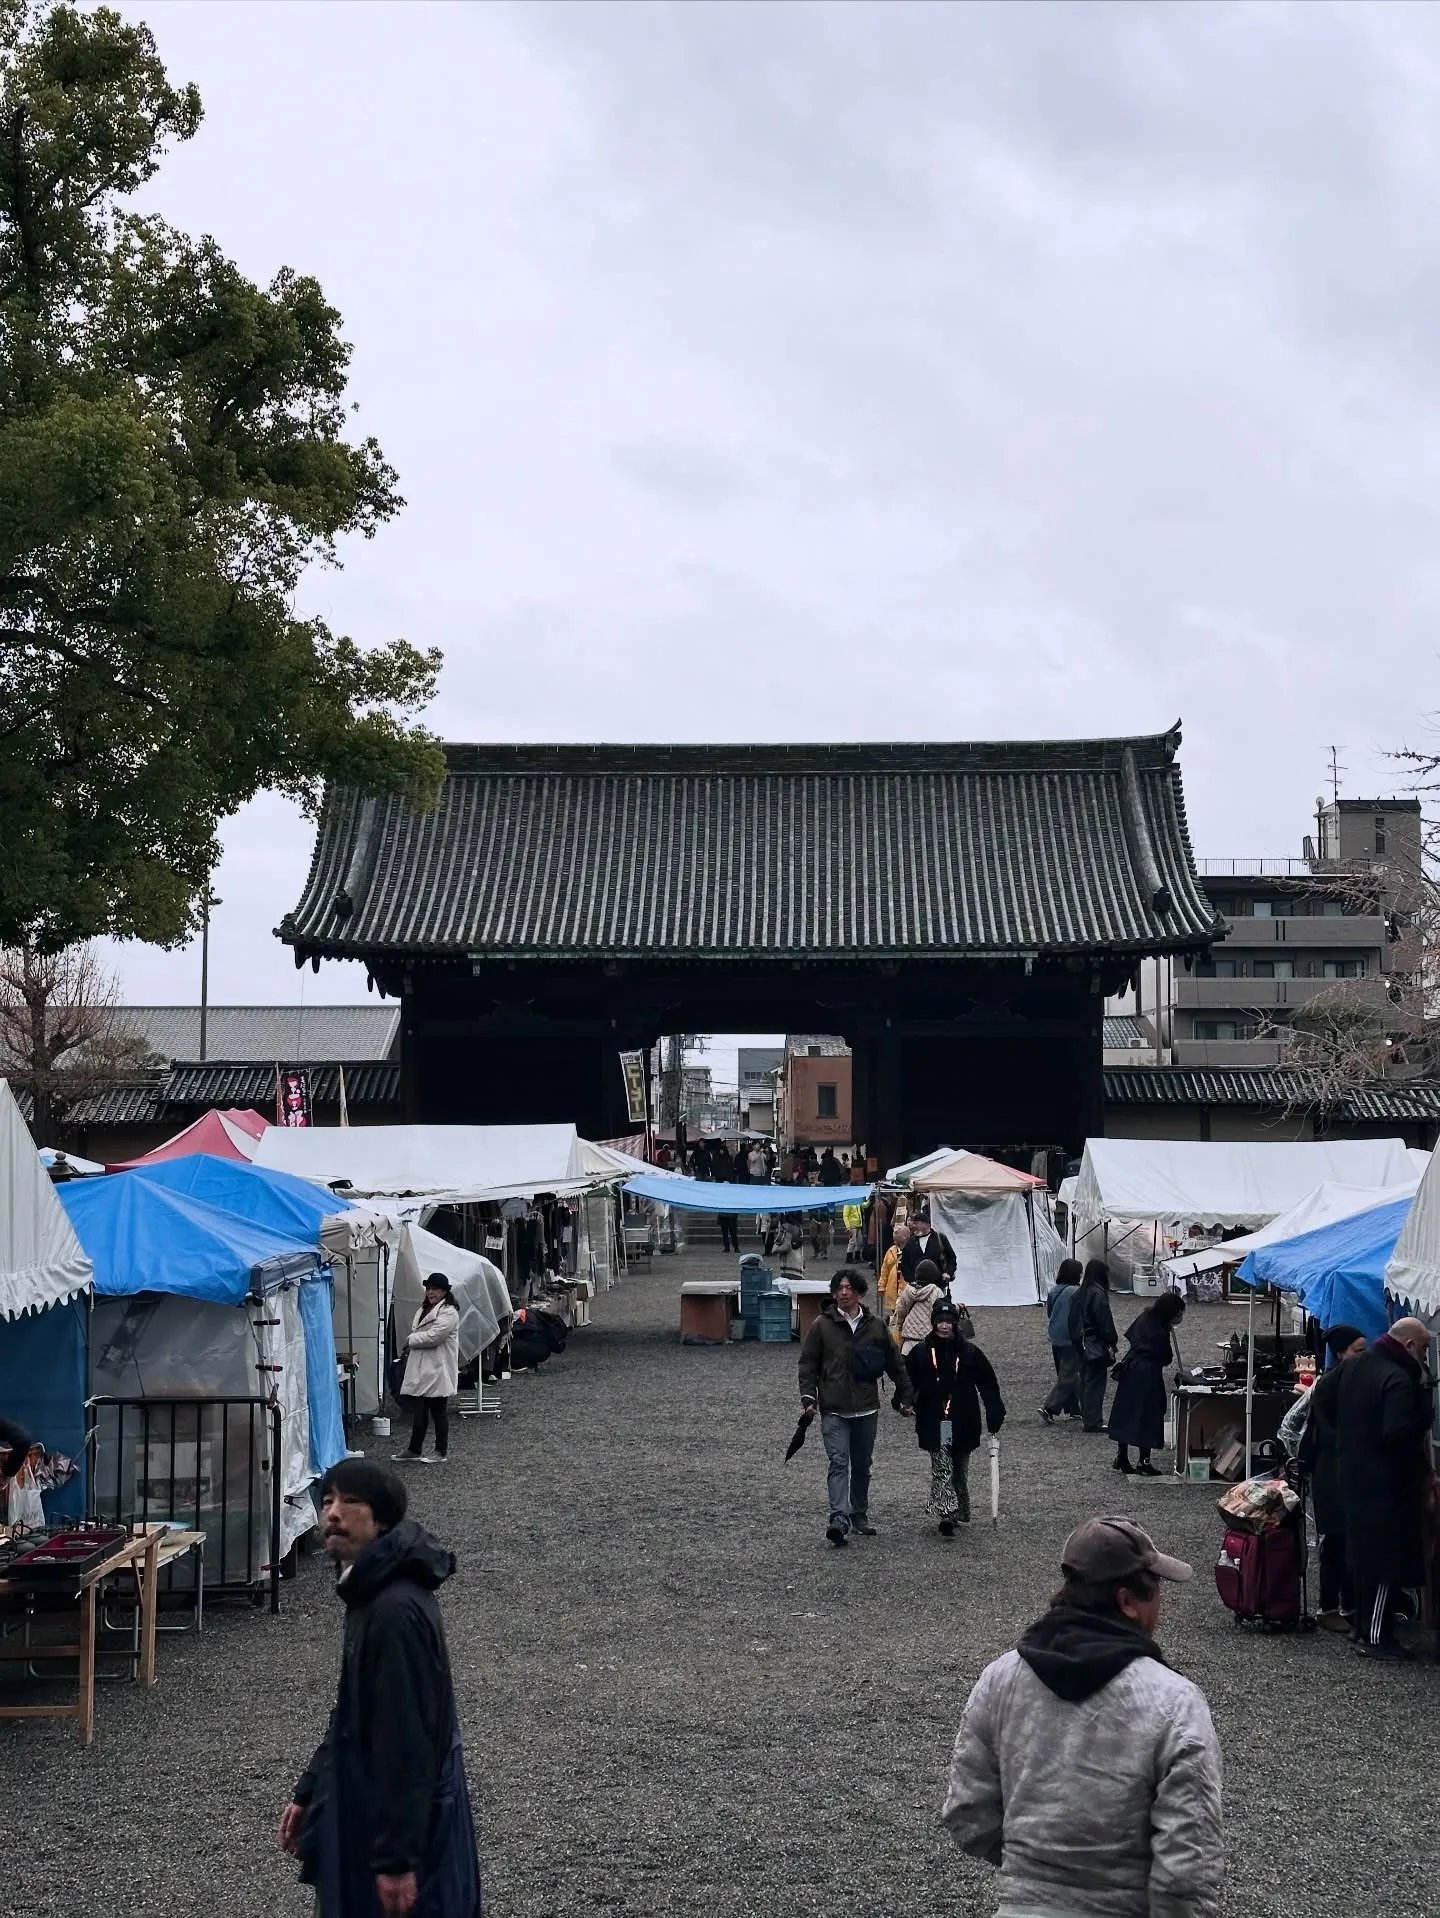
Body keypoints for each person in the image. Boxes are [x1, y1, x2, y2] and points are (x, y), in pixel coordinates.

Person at [942, 1516, 1223, 1918]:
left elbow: (968, 1813)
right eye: (1155, 1593)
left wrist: (1036, 1870)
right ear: (1127, 1602)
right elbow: (1188, 1865)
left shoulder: (1000, 1679)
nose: (1159, 1608)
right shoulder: (1174, 1701)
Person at [277, 1460, 481, 1917]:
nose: (333, 1513)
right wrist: (310, 1787)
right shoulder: (370, 1589)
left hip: (393, 1812)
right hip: (364, 1792)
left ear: (382, 1518)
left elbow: (405, 1736)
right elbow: (351, 1707)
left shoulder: (393, 1610)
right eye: (327, 1500)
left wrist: (396, 1861)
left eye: (351, 1501)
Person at [1336, 1314, 1435, 1660]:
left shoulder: (1356, 1365)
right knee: (1385, 1561)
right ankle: (1377, 1636)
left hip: (1353, 1475)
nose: (1424, 1357)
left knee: (1363, 1557)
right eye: (1423, 1349)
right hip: (1385, 1484)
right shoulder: (1398, 1379)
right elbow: (1399, 1435)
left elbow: (1330, 1404)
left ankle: (1364, 1628)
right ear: (1409, 1345)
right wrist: (1423, 1474)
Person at [798, 1270, 914, 1547]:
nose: (843, 1292)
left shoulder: (875, 1326)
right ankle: (839, 1518)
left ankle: (858, 1513)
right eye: (839, 1287)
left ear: (859, 1292)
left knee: (862, 1464)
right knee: (839, 1462)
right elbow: (808, 1363)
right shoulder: (821, 1325)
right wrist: (808, 1397)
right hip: (834, 1406)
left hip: (866, 1407)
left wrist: (906, 1394)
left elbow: (894, 1362)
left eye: (849, 1288)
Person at [906, 1298, 1005, 1535]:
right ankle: (946, 1512)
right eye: (939, 1321)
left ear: (955, 1324)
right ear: (933, 1323)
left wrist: (994, 1411)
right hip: (935, 1418)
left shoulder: (970, 1352)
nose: (944, 1326)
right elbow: (908, 1381)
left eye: (948, 1322)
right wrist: (906, 1401)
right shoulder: (921, 1352)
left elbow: (988, 1383)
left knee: (959, 1466)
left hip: (964, 1418)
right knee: (942, 1464)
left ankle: (959, 1509)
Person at [1291, 1323, 1367, 1633]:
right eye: (1358, 1350)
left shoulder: (1348, 1380)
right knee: (1334, 1539)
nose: (1365, 1356)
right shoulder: (1330, 1385)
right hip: (1330, 1471)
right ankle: (1328, 1606)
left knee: (1347, 1539)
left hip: (1342, 1467)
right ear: (1341, 1352)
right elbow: (1330, 1432)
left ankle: (1348, 1602)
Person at [1108, 1290, 1186, 1475]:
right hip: (1148, 1373)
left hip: (1130, 1367)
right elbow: (1165, 1357)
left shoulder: (1144, 1317)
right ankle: (1144, 1461)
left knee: (1126, 1412)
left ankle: (1122, 1456)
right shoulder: (1159, 1331)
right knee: (1150, 1414)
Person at [395, 1273, 461, 1465]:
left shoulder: (449, 1312)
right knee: (420, 1410)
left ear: (444, 1292)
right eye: (429, 1288)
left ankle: (441, 1450)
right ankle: (414, 1448)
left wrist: (411, 1340)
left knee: (438, 1410)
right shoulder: (426, 1309)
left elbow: (435, 1336)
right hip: (424, 1367)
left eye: (435, 1289)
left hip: (437, 1368)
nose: (431, 1292)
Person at [1074, 1258, 1118, 1434]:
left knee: (1085, 1381)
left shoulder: (1080, 1293)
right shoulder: (1098, 1294)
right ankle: (1093, 1421)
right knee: (1095, 1384)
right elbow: (1104, 1322)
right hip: (1095, 1343)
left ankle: (1088, 1416)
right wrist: (1111, 1341)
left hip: (1081, 1343)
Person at [1039, 1258, 1083, 1423]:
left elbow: (1050, 1312)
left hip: (1055, 1336)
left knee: (1066, 1373)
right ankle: (1049, 1408)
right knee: (1069, 1374)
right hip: (1070, 1338)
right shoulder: (1076, 1292)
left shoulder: (1054, 1291)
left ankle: (1074, 1408)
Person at [890, 1256, 949, 1356]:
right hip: (929, 1341)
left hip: (909, 1341)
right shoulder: (936, 1292)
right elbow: (941, 1314)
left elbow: (900, 1311)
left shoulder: (908, 1290)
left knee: (908, 1369)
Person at [902, 1210, 957, 1283]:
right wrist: (910, 1280)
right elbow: (905, 1263)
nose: (913, 1226)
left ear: (925, 1224)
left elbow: (951, 1258)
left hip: (938, 1285)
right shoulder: (911, 1242)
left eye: (916, 1223)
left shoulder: (940, 1239)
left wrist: (948, 1273)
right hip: (916, 1287)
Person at [877, 1221, 911, 1321]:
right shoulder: (891, 1251)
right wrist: (881, 1286)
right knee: (895, 1316)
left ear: (905, 1236)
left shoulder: (912, 1249)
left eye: (896, 1233)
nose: (893, 1234)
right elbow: (884, 1270)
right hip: (892, 1289)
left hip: (906, 1290)